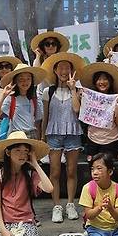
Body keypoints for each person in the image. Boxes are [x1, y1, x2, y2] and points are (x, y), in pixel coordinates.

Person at [55, 153, 118, 236]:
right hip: (96, 228)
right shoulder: (88, 188)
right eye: (92, 169)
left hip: (115, 230)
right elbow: (89, 215)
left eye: (99, 169)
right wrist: (100, 207)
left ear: (110, 171)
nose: (94, 172)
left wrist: (110, 207)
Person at [41, 52, 86, 223]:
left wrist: (73, 88)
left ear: (72, 70)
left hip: (73, 134)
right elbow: (45, 117)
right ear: (55, 70)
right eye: (60, 67)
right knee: (54, 172)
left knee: (72, 171)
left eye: (67, 67)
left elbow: (76, 110)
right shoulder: (48, 91)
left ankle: (70, 204)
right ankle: (56, 206)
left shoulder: (78, 91)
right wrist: (42, 138)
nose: (64, 70)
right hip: (53, 134)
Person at [78, 62, 118, 161]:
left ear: (110, 81)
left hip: (111, 140)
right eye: (99, 79)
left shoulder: (117, 98)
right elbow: (80, 114)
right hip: (92, 139)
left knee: (107, 168)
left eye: (105, 79)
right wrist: (81, 96)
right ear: (95, 82)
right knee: (94, 168)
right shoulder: (89, 97)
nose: (102, 82)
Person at [0, 64, 46, 139]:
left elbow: (37, 122)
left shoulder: (35, 100)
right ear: (15, 81)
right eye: (21, 79)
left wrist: (40, 138)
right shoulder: (10, 98)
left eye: (28, 79)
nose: (25, 82)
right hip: (15, 135)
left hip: (32, 135)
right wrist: (3, 95)